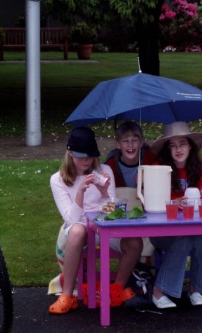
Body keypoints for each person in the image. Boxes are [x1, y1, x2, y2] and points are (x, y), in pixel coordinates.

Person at [48, 127, 143, 314]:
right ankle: (67, 295)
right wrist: (81, 192)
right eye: (82, 156)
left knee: (135, 242)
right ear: (70, 153)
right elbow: (71, 219)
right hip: (79, 227)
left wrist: (104, 193)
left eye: (90, 156)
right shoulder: (58, 179)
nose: (87, 161)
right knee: (77, 230)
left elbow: (112, 214)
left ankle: (116, 290)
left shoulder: (104, 170)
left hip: (103, 226)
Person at [148, 121, 202, 309]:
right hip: (161, 231)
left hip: (189, 226)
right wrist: (172, 203)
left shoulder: (197, 167)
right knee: (185, 237)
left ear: (190, 146)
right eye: (173, 145)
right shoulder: (158, 168)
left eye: (182, 144)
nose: (178, 149)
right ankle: (159, 292)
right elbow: (148, 203)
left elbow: (199, 198)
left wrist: (189, 203)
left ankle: (194, 288)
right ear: (167, 149)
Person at [103, 121, 157, 188]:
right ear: (118, 144)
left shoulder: (151, 158)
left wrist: (148, 182)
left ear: (141, 142)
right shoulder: (110, 165)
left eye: (134, 140)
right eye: (125, 141)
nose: (130, 145)